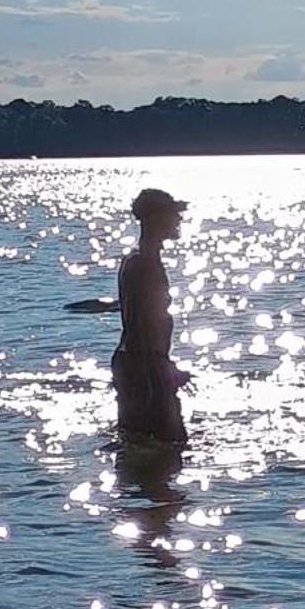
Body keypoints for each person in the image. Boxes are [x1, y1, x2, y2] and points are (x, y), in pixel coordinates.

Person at [111, 188, 190, 445]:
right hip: (144, 366)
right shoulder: (145, 264)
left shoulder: (135, 260)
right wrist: (161, 369)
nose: (178, 220)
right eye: (173, 215)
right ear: (155, 219)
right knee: (169, 443)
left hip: (134, 363)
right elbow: (146, 323)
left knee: (138, 442)